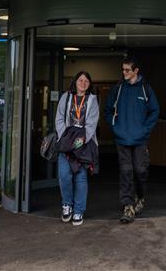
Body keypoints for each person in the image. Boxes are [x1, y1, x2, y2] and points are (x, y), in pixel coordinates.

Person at [104, 57, 159, 224]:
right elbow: (108, 110)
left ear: (136, 71)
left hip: (140, 138)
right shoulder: (118, 89)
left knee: (141, 170)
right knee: (126, 172)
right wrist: (115, 127)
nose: (124, 72)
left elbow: (154, 111)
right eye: (123, 69)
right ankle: (128, 206)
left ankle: (140, 197)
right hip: (122, 138)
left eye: (127, 70)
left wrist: (145, 130)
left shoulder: (145, 88)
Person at [55, 70, 99, 226]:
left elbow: (92, 123)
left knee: (81, 178)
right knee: (64, 175)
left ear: (89, 84)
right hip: (66, 141)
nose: (83, 83)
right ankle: (67, 205)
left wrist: (82, 140)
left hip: (83, 143)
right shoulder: (66, 97)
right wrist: (64, 137)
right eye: (80, 80)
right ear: (75, 82)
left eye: (86, 81)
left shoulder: (92, 100)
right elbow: (59, 118)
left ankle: (79, 211)